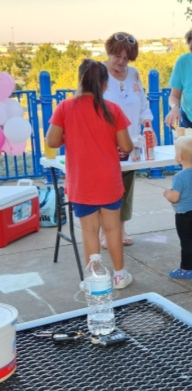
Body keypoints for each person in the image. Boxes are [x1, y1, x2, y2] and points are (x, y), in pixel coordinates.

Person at [45, 59, 134, 289]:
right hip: (109, 182)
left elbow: (52, 141)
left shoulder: (65, 107)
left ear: (80, 80)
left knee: (89, 231)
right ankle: (119, 275)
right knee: (112, 229)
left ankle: (95, 278)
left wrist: (72, 137)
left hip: (81, 183)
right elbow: (126, 147)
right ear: (104, 84)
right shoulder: (112, 109)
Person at [102, 32, 154, 248]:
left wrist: (147, 123)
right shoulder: (97, 72)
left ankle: (121, 229)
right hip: (104, 143)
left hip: (130, 141)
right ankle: (106, 233)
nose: (121, 62)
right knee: (107, 189)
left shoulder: (133, 74)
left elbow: (142, 103)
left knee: (126, 187)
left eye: (126, 58)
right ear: (109, 52)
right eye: (117, 56)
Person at [163, 136, 192, 279]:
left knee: (186, 241)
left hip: (183, 214)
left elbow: (175, 197)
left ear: (180, 157)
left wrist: (167, 193)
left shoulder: (179, 177)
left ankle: (185, 269)